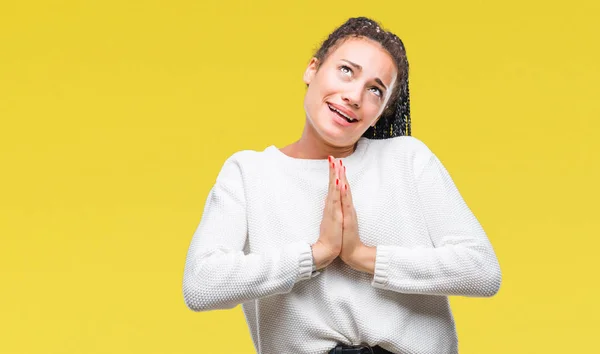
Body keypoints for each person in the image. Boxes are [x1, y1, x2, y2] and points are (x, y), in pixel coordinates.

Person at [182, 16, 502, 354]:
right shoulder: (249, 173)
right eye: (346, 71)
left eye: (375, 90)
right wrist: (315, 255)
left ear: (381, 112)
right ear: (312, 69)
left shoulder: (407, 159)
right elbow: (202, 284)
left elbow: (482, 270)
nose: (353, 95)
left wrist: (362, 256)